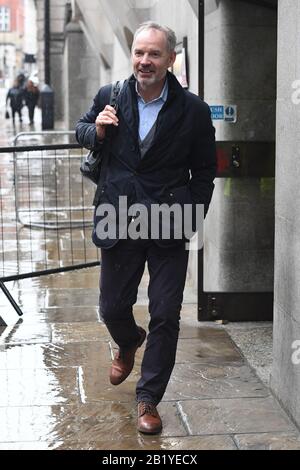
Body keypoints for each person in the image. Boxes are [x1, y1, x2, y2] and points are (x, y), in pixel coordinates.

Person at [76, 22, 216, 434]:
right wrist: (96, 130)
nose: (144, 61)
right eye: (139, 52)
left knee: (166, 313)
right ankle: (128, 341)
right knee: (112, 307)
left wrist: (193, 210)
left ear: (171, 59)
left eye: (154, 54)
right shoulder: (111, 95)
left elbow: (206, 170)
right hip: (118, 216)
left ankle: (148, 399)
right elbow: (80, 129)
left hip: (169, 221)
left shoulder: (193, 110)